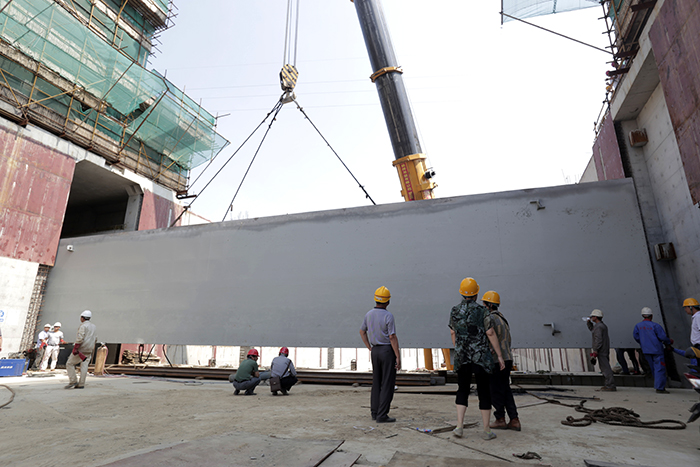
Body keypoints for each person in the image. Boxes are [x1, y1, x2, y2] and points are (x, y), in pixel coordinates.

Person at [449, 278, 505, 440]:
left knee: (462, 390)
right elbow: (490, 333)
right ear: (476, 293)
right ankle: (487, 430)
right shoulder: (483, 311)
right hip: (481, 357)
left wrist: (459, 348)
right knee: (484, 391)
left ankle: (459, 427)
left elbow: (453, 332)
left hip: (463, 357)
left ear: (461, 292)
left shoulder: (454, 310)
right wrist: (499, 356)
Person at [359, 286, 401, 423]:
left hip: (375, 351)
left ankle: (375, 412)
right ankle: (382, 415)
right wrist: (398, 356)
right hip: (387, 351)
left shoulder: (368, 314)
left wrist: (369, 347)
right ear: (388, 301)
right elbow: (392, 337)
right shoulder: (388, 316)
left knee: (376, 382)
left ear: (375, 299)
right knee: (387, 383)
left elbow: (362, 331)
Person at [482, 291, 520, 432]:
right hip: (507, 357)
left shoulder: (489, 318)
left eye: (484, 303)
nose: (483, 306)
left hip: (497, 360)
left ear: (489, 305)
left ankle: (500, 419)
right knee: (505, 389)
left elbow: (489, 336)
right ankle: (514, 419)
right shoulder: (503, 318)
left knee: (495, 390)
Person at [633, 307, 672, 393]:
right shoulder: (655, 326)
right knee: (659, 368)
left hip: (646, 350)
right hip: (657, 350)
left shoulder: (638, 326)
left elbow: (636, 337)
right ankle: (660, 387)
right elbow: (662, 337)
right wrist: (669, 341)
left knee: (653, 368)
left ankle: (657, 384)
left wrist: (643, 343)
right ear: (651, 316)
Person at [65, 310, 97, 389]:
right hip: (89, 349)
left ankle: (73, 381)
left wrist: (75, 348)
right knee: (84, 366)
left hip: (81, 349)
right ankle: (81, 384)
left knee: (69, 364)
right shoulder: (93, 326)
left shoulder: (83, 326)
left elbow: (80, 338)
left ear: (82, 318)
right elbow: (95, 338)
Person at [587, 309, 616, 391]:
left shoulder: (599, 327)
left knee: (605, 368)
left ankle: (610, 385)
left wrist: (595, 350)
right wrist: (589, 323)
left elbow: (598, 339)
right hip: (603, 349)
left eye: (592, 316)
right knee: (604, 367)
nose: (591, 317)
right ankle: (608, 384)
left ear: (595, 317)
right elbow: (593, 331)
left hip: (601, 350)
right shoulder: (600, 326)